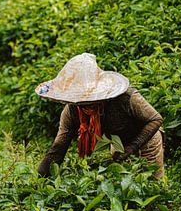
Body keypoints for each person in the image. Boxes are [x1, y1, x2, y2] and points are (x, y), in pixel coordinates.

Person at [35, 53, 164, 179]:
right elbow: (58, 147)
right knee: (122, 183)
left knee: (151, 184)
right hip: (118, 143)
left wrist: (132, 147)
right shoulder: (72, 111)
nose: (85, 105)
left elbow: (155, 119)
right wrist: (39, 179)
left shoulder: (126, 98)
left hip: (146, 141)